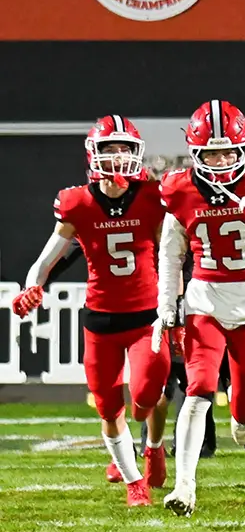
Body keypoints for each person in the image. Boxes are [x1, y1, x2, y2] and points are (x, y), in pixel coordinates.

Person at [11, 116, 169, 507]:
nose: (117, 157)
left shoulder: (152, 196)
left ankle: (154, 445)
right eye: (109, 149)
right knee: (108, 404)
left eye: (124, 149)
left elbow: (172, 256)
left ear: (137, 153)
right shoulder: (77, 202)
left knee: (147, 397)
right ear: (93, 154)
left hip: (146, 315)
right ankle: (135, 484)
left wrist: (175, 308)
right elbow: (47, 258)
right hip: (100, 318)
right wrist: (33, 286)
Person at [157, 100, 245, 515]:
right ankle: (184, 487)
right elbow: (170, 255)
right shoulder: (179, 189)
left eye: (227, 152)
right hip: (206, 300)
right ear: (195, 154)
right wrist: (168, 305)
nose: (220, 162)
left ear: (243, 149)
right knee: (199, 390)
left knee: (244, 417)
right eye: (211, 153)